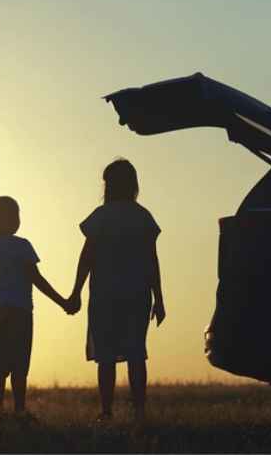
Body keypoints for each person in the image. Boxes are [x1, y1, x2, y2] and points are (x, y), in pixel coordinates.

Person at [67, 159, 166, 423]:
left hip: (105, 296)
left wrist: (76, 292)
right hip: (136, 295)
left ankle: (107, 411)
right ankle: (139, 411)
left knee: (106, 356)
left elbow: (86, 258)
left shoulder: (101, 216)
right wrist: (159, 298)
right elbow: (152, 261)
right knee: (136, 354)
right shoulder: (142, 216)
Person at [0, 196, 70, 418]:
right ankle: (19, 409)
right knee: (19, 362)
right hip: (20, 312)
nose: (17, 220)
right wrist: (62, 302)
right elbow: (36, 278)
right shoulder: (23, 246)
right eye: (14, 215)